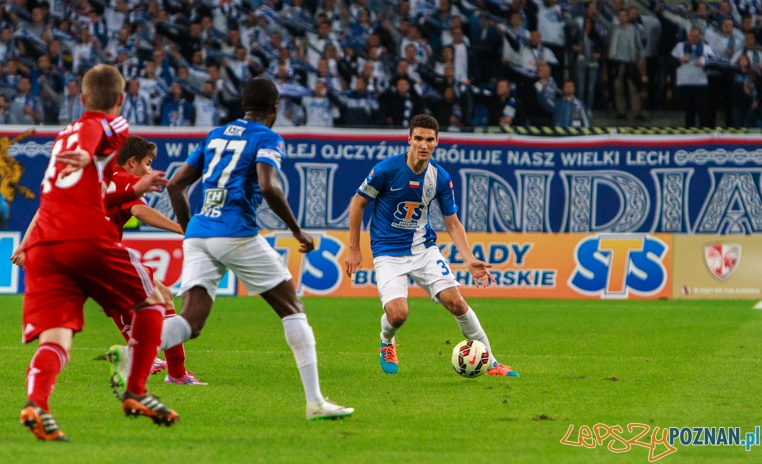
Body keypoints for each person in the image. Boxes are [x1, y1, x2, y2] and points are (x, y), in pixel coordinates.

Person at [151, 78, 353, 420]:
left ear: (244, 105)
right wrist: (297, 231)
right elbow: (268, 186)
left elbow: (175, 185)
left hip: (200, 232)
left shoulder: (216, 135)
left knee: (191, 321)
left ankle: (130, 353)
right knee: (292, 308)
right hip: (236, 231)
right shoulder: (267, 137)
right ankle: (316, 403)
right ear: (275, 107)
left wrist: (190, 231)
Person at [11, 65, 178, 442]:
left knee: (56, 338)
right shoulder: (111, 126)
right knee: (154, 302)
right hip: (85, 237)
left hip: (45, 245)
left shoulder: (61, 138)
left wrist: (133, 189)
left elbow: (72, 191)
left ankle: (37, 404)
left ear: (82, 98)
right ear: (119, 99)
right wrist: (90, 154)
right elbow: (96, 133)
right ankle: (136, 391)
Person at [344, 114, 519, 378]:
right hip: (387, 252)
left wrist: (469, 259)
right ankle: (387, 341)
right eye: (418, 139)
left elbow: (453, 223)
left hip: (423, 249)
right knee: (398, 314)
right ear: (409, 139)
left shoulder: (439, 177)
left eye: (429, 140)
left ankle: (491, 363)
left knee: (457, 303)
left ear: (437, 142)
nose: (423, 145)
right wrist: (354, 249)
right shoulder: (385, 170)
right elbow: (358, 203)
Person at [105, 136, 206, 386]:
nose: (149, 170)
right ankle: (176, 374)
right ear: (132, 162)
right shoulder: (126, 180)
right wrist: (183, 228)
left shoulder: (101, 177)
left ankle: (145, 356)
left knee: (137, 298)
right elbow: (140, 211)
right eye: (148, 163)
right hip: (103, 251)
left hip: (77, 251)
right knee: (163, 297)